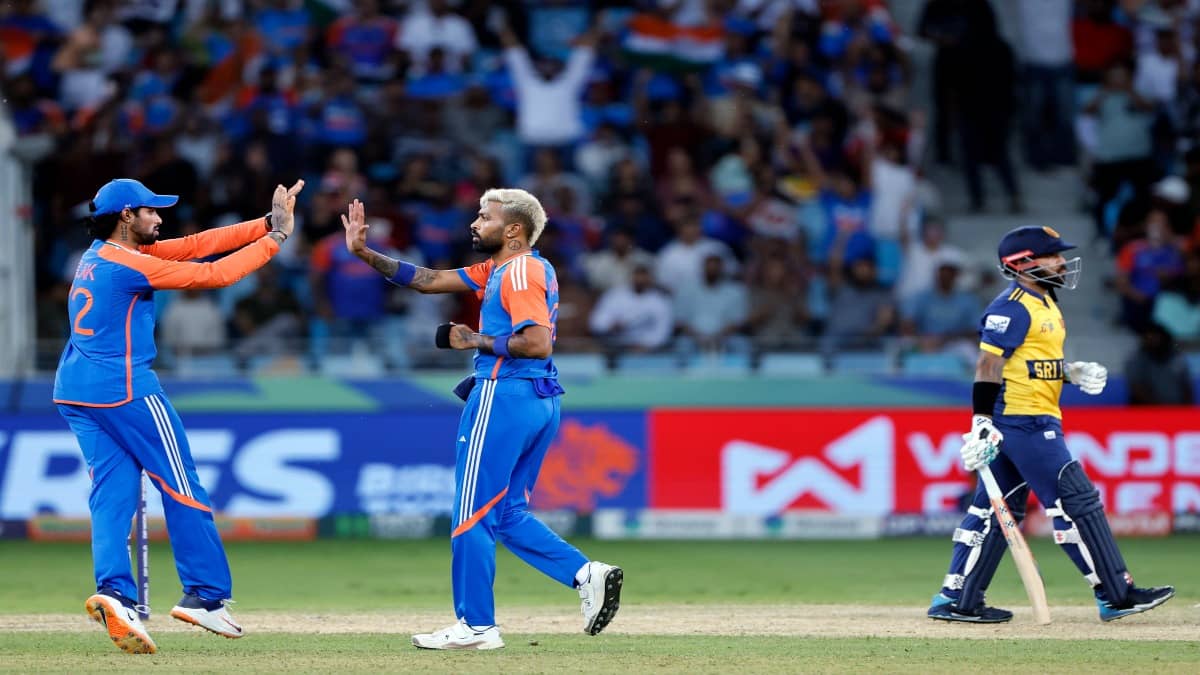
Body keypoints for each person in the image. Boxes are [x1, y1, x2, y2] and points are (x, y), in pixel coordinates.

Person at [341, 189, 622, 650]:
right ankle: (585, 573)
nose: (474, 223)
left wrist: (475, 340)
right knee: (507, 512)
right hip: (537, 398)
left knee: (471, 511)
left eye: (483, 216)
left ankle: (476, 625)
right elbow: (428, 280)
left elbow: (536, 342)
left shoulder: (517, 272)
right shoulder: (508, 268)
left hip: (503, 395)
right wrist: (364, 252)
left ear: (513, 229)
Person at [54, 178, 303, 654]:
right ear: (126, 216)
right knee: (182, 484)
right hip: (125, 388)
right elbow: (212, 276)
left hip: (77, 390)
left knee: (112, 494)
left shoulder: (97, 257)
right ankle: (205, 597)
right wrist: (277, 240)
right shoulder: (127, 264)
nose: (159, 218)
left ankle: (115, 594)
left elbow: (195, 245)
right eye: (151, 211)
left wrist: (267, 222)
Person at [927, 225, 1174, 624]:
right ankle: (1116, 593)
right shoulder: (1012, 306)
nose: (1062, 262)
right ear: (1023, 264)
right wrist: (981, 421)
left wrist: (1069, 372)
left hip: (1031, 418)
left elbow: (1027, 363)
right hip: (1023, 422)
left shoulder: (1046, 303)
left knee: (995, 510)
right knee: (1077, 501)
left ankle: (957, 598)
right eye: (1053, 256)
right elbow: (988, 365)